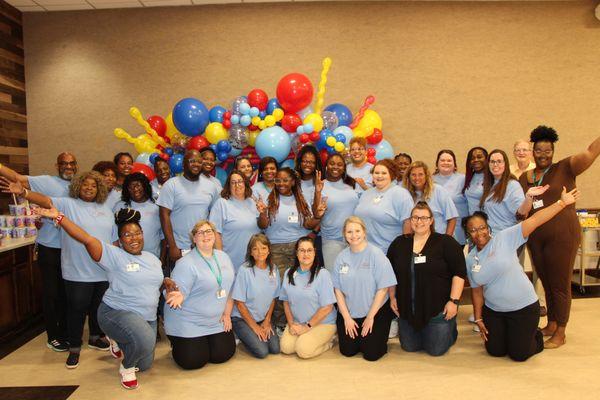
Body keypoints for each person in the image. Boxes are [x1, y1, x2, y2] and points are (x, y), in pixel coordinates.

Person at [34, 207, 177, 388]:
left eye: (137, 233)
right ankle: (126, 367)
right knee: (145, 341)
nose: (134, 238)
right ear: (120, 240)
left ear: (143, 234)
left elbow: (153, 280)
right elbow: (85, 238)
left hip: (146, 316)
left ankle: (119, 340)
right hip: (116, 312)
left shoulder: (152, 258)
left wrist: (167, 281)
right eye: (127, 235)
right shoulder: (113, 255)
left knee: (145, 364)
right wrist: (60, 217)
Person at [1, 171, 114, 368]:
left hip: (102, 269)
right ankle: (74, 349)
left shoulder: (105, 208)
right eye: (85, 184)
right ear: (78, 186)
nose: (89, 188)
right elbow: (45, 200)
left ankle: (95, 337)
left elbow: (112, 239)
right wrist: (25, 192)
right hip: (76, 271)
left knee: (98, 307)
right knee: (76, 310)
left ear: (99, 189)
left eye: (93, 186)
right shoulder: (66, 204)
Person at [466, 186, 580, 360]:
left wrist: (561, 203)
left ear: (488, 228)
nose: (478, 233)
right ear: (468, 234)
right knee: (495, 350)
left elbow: (535, 220)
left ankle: (536, 335)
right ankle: (512, 334)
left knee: (519, 354)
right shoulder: (470, 257)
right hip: (494, 311)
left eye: (482, 227)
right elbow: (476, 291)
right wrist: (479, 319)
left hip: (523, 308)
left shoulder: (504, 238)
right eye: (473, 230)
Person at [519, 126, 600, 348]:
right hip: (536, 238)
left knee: (560, 283)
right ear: (532, 152)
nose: (543, 155)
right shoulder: (525, 178)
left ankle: (561, 332)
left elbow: (591, 152)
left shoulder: (566, 167)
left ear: (553, 152)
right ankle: (552, 323)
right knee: (546, 281)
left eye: (548, 151)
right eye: (539, 151)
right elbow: (521, 210)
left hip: (562, 236)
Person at [0, 153, 77, 351]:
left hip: (72, 249)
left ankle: (66, 331)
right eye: (64, 163)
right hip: (50, 247)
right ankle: (53, 336)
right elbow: (16, 177)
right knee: (52, 293)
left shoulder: (80, 186)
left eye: (71, 163)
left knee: (67, 294)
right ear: (57, 165)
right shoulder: (45, 181)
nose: (68, 166)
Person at [387, 202, 466, 356]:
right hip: (408, 309)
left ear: (431, 221)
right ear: (410, 220)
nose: (419, 221)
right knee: (409, 347)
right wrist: (392, 297)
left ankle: (449, 328)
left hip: (437, 309)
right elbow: (390, 273)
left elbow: (459, 273)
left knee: (436, 350)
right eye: (415, 217)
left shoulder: (445, 242)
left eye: (424, 218)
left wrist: (454, 301)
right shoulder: (399, 243)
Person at [163, 220, 236, 370]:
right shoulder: (185, 263)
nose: (205, 235)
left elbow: (229, 290)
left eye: (209, 231)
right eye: (200, 232)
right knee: (193, 361)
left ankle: (205, 341)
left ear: (215, 235)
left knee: (223, 354)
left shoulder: (224, 257)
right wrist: (176, 296)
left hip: (215, 321)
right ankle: (177, 340)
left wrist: (227, 314)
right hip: (190, 321)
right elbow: (173, 293)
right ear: (194, 238)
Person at [257, 167, 323, 329]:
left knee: (298, 286)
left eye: (285, 180)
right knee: (279, 288)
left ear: (293, 182)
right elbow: (262, 225)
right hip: (275, 249)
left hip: (298, 249)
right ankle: (280, 324)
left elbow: (308, 224)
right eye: (278, 180)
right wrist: (263, 213)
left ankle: (301, 322)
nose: (281, 183)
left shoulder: (301, 199)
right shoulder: (269, 199)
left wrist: (317, 217)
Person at [333, 217, 397, 361]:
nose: (354, 235)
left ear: (364, 232)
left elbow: (383, 289)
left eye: (357, 231)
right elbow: (337, 290)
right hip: (350, 312)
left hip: (375, 311)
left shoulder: (376, 255)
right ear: (344, 234)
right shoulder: (341, 258)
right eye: (349, 232)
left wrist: (370, 317)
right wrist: (346, 318)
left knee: (372, 354)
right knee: (348, 351)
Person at [157, 149, 220, 264]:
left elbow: (215, 215)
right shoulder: (171, 185)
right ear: (183, 164)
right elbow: (164, 215)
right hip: (179, 248)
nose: (196, 164)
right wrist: (172, 246)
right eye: (192, 161)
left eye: (199, 161)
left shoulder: (211, 186)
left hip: (203, 247)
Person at [279, 237, 337, 359]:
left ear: (315, 252)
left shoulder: (322, 274)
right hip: (297, 322)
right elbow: (285, 302)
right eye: (302, 250)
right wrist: (291, 324)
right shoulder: (289, 273)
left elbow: (327, 307)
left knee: (303, 350)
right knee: (286, 348)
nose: (306, 254)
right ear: (296, 253)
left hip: (323, 323)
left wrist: (307, 327)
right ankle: (303, 336)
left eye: (309, 250)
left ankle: (329, 342)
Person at [231, 234, 280, 359]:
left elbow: (274, 298)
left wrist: (267, 321)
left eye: (263, 248)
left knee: (275, 349)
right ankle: (242, 335)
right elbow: (239, 304)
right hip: (242, 318)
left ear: (269, 250)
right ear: (251, 252)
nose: (260, 252)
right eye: (255, 249)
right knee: (262, 351)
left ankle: (253, 335)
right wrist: (255, 327)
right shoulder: (244, 270)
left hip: (262, 318)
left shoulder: (274, 269)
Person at [480, 149, 548, 235]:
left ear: (505, 164)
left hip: (507, 237)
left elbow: (521, 214)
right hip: (492, 237)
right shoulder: (489, 185)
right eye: (492, 161)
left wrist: (528, 197)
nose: (495, 164)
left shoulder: (512, 185)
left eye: (499, 161)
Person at [354, 159, 413, 254]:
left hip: (389, 252)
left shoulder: (401, 194)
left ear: (391, 175)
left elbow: (408, 222)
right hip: (364, 250)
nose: (379, 176)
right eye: (376, 173)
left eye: (384, 173)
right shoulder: (366, 194)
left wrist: (404, 250)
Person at [312, 154, 359, 271]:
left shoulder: (352, 184)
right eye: (332, 163)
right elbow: (316, 213)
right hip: (332, 240)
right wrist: (318, 192)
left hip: (354, 238)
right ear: (326, 166)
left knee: (353, 276)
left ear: (344, 168)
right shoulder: (321, 185)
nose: (335, 167)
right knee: (334, 277)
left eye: (339, 164)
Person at [209, 170, 260, 271]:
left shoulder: (254, 202)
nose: (237, 185)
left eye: (240, 181)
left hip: (254, 261)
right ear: (229, 186)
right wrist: (220, 259)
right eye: (233, 182)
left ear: (245, 183)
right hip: (231, 262)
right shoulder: (222, 204)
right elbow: (215, 233)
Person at [113, 173, 162, 258]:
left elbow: (163, 236)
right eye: (130, 187)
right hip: (127, 258)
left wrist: (162, 258)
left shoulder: (156, 207)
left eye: (138, 185)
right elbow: (114, 235)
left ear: (144, 186)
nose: (135, 189)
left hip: (154, 257)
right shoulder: (120, 206)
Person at [404, 161, 458, 236]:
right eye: (413, 175)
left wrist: (447, 240)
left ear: (426, 176)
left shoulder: (439, 191)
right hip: (418, 240)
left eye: (420, 174)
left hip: (440, 239)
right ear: (408, 177)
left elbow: (452, 218)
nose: (417, 178)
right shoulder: (405, 194)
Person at [433, 150, 468, 245]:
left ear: (454, 164)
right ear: (437, 163)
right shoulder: (429, 181)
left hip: (458, 229)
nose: (446, 163)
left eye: (449, 160)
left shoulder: (463, 180)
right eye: (442, 160)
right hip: (436, 230)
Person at [463, 147, 488, 216]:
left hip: (488, 222)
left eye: (479, 157)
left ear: (487, 159)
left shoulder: (492, 178)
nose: (476, 160)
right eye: (472, 158)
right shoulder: (469, 178)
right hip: (473, 221)